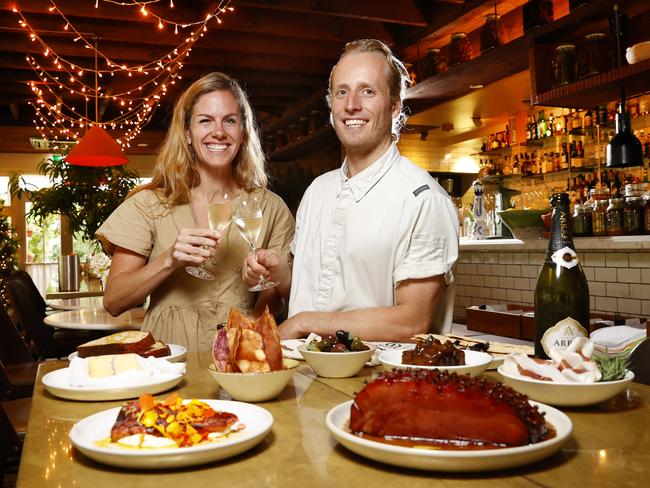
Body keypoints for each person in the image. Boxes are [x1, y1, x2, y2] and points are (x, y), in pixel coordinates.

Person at [243, 39, 459, 342]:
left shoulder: (423, 199)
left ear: (395, 106)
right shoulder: (317, 191)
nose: (351, 104)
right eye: (342, 92)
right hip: (301, 377)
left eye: (367, 91)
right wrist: (278, 274)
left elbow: (411, 322)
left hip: (376, 382)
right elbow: (310, 293)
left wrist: (305, 323)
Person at [97, 72, 295, 351]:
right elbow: (114, 301)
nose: (219, 131)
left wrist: (250, 326)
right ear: (187, 133)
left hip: (241, 353)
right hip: (166, 355)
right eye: (205, 120)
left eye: (230, 120)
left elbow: (276, 295)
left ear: (243, 132)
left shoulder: (270, 207)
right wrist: (169, 260)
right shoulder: (149, 204)